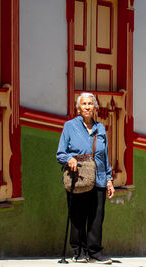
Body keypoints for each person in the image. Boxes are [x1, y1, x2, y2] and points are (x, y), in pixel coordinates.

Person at [56, 92, 115, 264]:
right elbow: (60, 152)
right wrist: (70, 159)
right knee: (78, 215)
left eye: (90, 104)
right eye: (84, 104)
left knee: (97, 216)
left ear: (95, 107)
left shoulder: (101, 128)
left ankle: (95, 251)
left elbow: (105, 157)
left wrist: (109, 180)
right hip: (79, 176)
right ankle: (79, 251)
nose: (88, 107)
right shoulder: (69, 126)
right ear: (78, 108)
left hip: (99, 177)